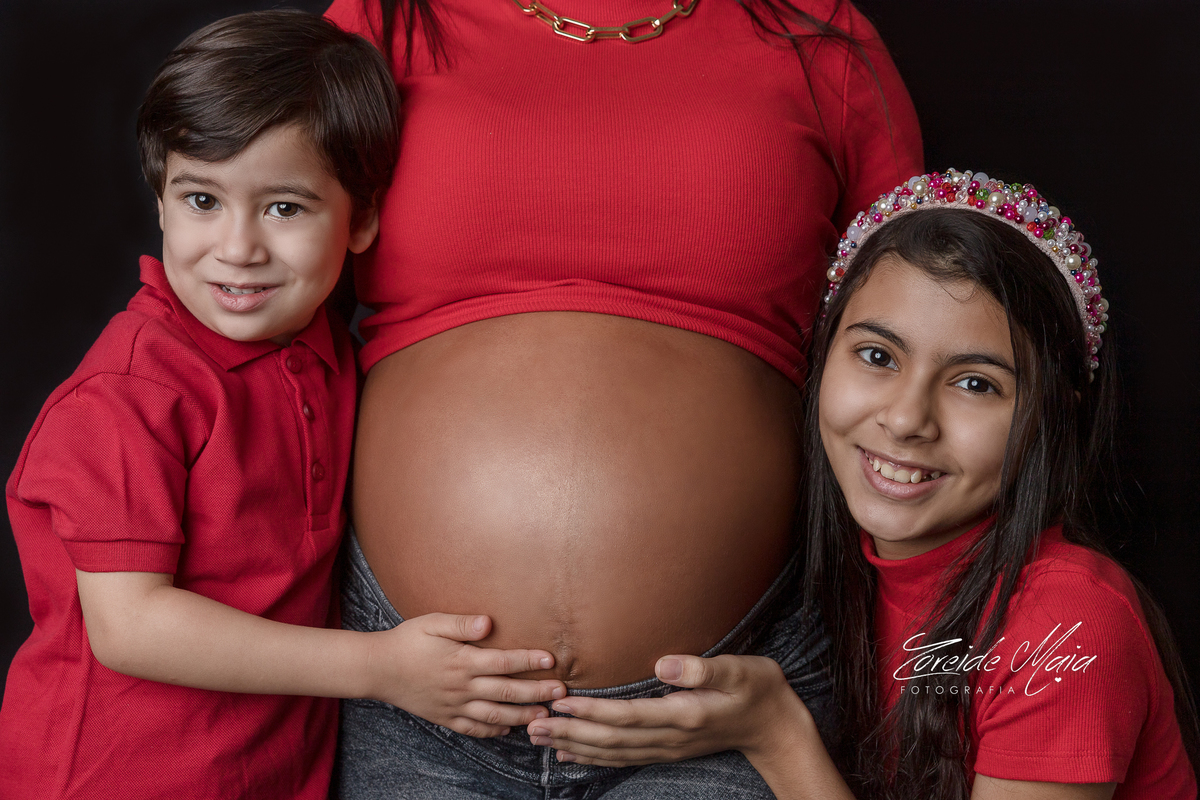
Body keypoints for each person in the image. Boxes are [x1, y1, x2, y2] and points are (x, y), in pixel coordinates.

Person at [321, 0, 922, 796]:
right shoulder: (388, 20)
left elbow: (922, 336)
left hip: (727, 707)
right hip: (408, 695)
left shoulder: (818, 37)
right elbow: (254, 281)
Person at [0, 11, 566, 799]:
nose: (238, 248)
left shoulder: (322, 351)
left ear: (362, 218)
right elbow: (131, 627)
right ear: (159, 200)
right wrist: (381, 668)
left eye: (284, 208)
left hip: (266, 776)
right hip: (114, 780)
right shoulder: (130, 395)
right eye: (202, 200)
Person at [528, 171, 1200, 798]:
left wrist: (777, 735)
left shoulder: (1068, 629)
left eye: (975, 384)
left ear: (1055, 412)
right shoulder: (822, 567)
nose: (906, 420)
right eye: (877, 356)